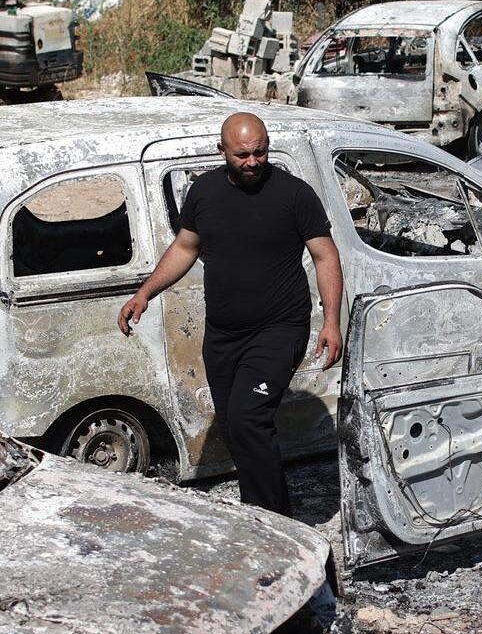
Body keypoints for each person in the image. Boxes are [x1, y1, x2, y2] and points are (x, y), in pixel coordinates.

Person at [116, 112, 344, 517]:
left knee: (247, 418)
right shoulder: (204, 193)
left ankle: (273, 521)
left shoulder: (294, 194)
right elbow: (186, 248)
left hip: (279, 328)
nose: (253, 161)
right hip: (223, 335)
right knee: (237, 427)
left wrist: (330, 322)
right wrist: (145, 293)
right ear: (222, 152)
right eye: (242, 155)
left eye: (260, 152)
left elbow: (325, 254)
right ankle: (263, 511)